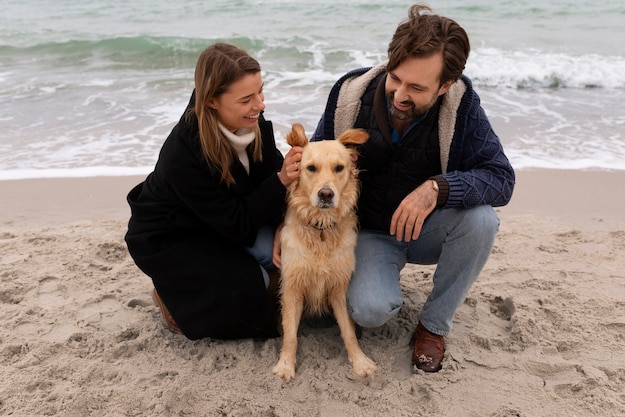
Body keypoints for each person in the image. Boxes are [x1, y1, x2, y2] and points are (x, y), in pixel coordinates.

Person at [310, 4, 515, 372]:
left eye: (417, 87)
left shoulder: (461, 104)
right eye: (396, 78)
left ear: (445, 85)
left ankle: (433, 325)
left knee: (482, 221)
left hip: (426, 229)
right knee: (371, 311)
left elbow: (501, 178)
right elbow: (314, 162)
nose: (400, 95)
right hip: (368, 233)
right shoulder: (349, 95)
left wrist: (438, 188)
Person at [125, 43, 303, 340]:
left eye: (260, 91)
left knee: (285, 252)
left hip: (227, 217)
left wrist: (284, 219)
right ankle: (170, 296)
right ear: (211, 102)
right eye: (247, 99)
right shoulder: (183, 155)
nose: (260, 104)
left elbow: (266, 181)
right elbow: (239, 222)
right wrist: (281, 180)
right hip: (174, 235)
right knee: (253, 282)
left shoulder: (248, 121)